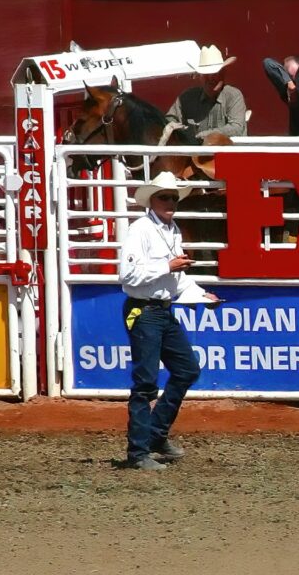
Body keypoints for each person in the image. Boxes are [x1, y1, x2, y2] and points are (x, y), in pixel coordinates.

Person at [119, 172, 220, 470]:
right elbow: (128, 276)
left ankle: (153, 436)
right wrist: (168, 265)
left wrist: (202, 297)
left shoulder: (171, 230)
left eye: (174, 197)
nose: (171, 202)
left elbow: (177, 280)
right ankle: (138, 452)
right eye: (165, 197)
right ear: (152, 200)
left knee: (187, 369)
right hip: (144, 310)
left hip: (160, 309)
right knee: (146, 383)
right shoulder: (140, 230)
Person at [167, 45, 247, 139]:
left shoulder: (233, 96)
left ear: (223, 73)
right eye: (206, 74)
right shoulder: (187, 98)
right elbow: (169, 119)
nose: (211, 78)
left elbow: (236, 128)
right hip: (196, 153)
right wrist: (178, 129)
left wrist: (202, 135)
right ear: (200, 76)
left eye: (215, 73)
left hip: (226, 153)